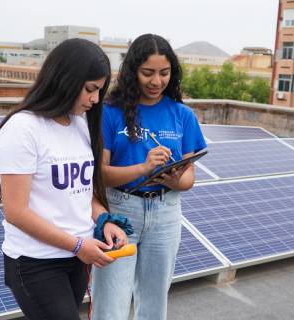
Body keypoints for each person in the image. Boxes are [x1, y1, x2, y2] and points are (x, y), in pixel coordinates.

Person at [0, 38, 128, 320]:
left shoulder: (79, 124)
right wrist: (78, 245)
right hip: (35, 262)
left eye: (100, 90)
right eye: (90, 89)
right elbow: (15, 211)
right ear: (64, 80)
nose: (95, 99)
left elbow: (82, 191)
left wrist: (104, 219)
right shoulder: (23, 129)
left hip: (76, 258)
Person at [91, 34, 207, 320]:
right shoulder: (110, 112)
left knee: (155, 303)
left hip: (166, 212)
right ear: (133, 72)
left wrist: (174, 180)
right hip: (119, 211)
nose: (156, 81)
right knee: (111, 304)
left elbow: (189, 176)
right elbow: (100, 176)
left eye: (164, 73)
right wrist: (144, 168)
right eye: (148, 73)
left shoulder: (182, 114)